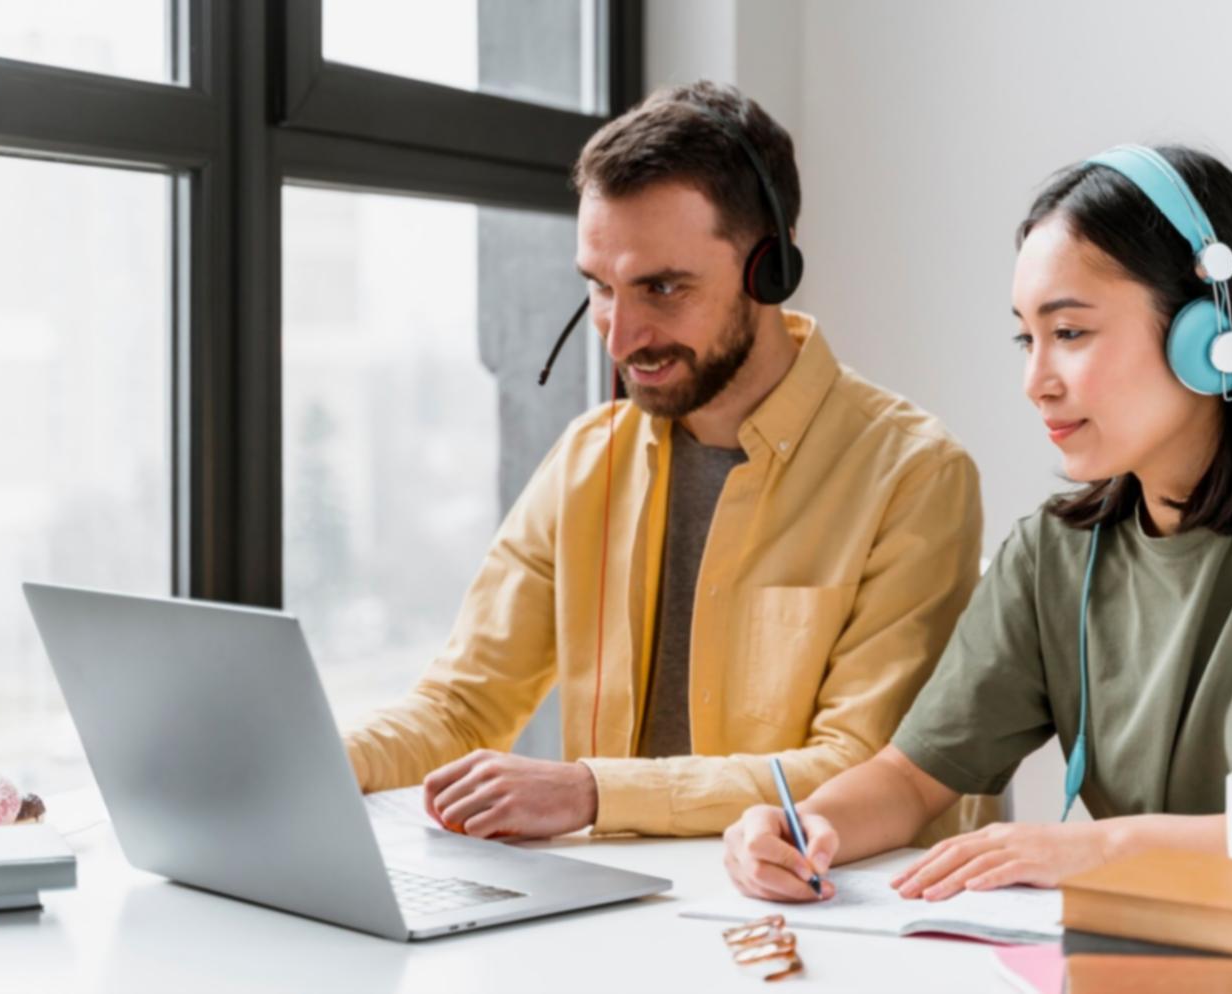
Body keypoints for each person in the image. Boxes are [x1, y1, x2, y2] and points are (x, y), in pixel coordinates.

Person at [722, 144, 1232, 902]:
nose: (1035, 382)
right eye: (1025, 338)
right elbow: (912, 778)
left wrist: (1101, 848)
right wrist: (802, 826)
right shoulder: (1055, 554)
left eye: (1068, 333)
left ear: (1209, 333)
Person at [344, 81, 996, 841]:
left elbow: (856, 769)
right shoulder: (588, 459)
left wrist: (591, 793)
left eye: (661, 288)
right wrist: (322, 761)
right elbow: (461, 708)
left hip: (803, 926)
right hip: (619, 912)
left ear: (769, 270)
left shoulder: (912, 476)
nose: (621, 338)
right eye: (600, 288)